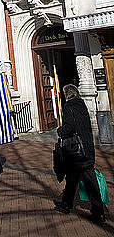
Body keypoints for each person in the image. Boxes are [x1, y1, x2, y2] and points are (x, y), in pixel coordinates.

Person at [53, 84, 105, 224]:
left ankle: (68, 205)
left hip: (77, 151)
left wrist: (60, 131)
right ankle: (97, 211)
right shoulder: (82, 105)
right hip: (87, 148)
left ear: (66, 94)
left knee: (74, 178)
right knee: (81, 179)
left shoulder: (69, 107)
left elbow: (69, 128)